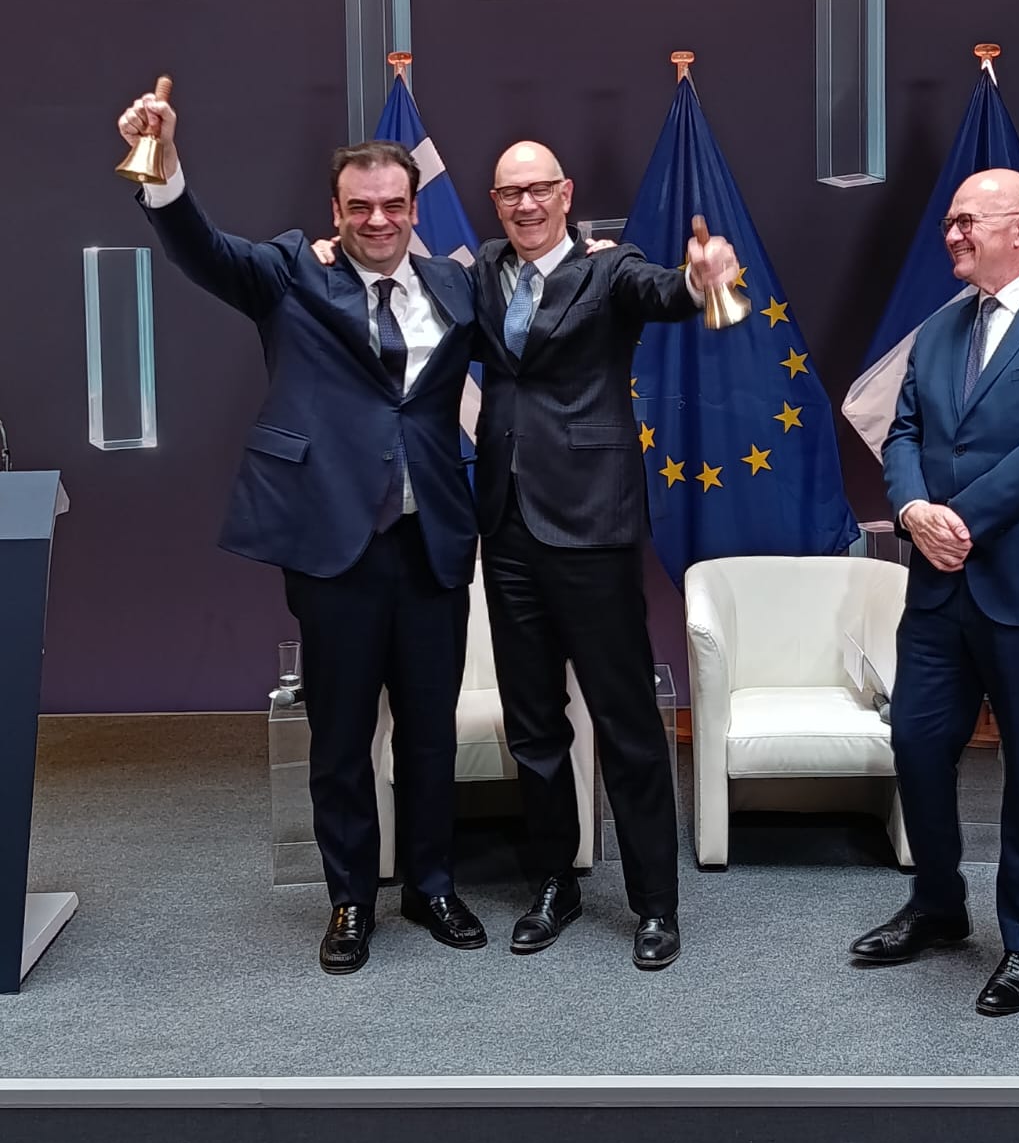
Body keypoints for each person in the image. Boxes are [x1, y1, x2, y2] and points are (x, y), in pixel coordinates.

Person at [118, 79, 485, 976]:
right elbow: (204, 250)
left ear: (414, 209)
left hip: (433, 541)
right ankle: (351, 900)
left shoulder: (454, 283)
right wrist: (163, 169)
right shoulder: (291, 272)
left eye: (392, 205)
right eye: (360, 206)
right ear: (336, 211)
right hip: (333, 545)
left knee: (431, 733)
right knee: (341, 736)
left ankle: (431, 885)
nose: (377, 220)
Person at [849, 168, 1019, 1016]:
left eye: (968, 221)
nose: (952, 234)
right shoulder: (938, 330)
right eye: (950, 222)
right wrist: (911, 510)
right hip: (939, 584)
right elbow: (903, 432)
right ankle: (939, 905)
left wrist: (959, 518)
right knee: (916, 744)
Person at [475, 141, 738, 971]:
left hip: (592, 525)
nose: (525, 205)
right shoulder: (481, 271)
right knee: (532, 725)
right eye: (510, 193)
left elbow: (664, 292)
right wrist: (334, 249)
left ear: (566, 193)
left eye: (538, 190)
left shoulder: (608, 268)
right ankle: (554, 883)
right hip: (506, 527)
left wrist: (700, 279)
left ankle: (655, 902)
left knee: (625, 722)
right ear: (495, 202)